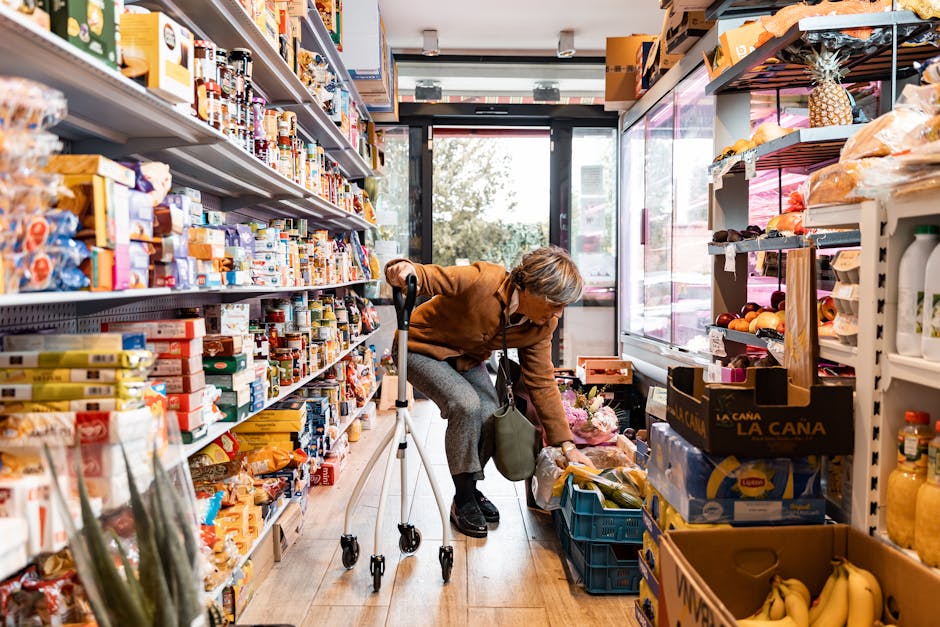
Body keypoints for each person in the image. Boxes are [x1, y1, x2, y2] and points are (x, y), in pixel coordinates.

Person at [384, 246, 594, 538]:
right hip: (419, 349)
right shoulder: (484, 280)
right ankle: (465, 499)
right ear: (532, 289)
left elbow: (542, 380)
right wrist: (406, 270)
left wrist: (566, 445)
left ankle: (467, 491)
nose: (558, 312)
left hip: (466, 359)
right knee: (466, 404)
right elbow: (434, 277)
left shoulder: (543, 324)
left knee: (489, 413)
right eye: (555, 303)